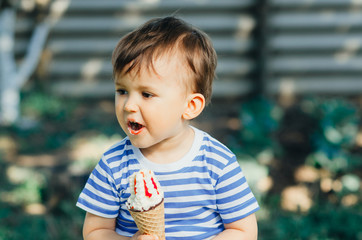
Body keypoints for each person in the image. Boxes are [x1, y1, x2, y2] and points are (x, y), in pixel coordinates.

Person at [76, 16, 259, 240]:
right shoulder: (114, 165)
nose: (129, 105)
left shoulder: (216, 163)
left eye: (147, 94)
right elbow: (95, 232)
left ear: (190, 106)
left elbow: (244, 231)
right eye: (122, 91)